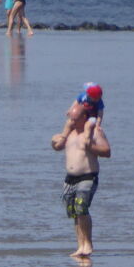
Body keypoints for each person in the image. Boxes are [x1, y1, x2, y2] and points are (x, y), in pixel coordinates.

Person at [51, 102, 112, 257]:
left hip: (87, 176)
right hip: (70, 179)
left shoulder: (93, 133)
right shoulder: (69, 133)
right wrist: (61, 135)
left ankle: (88, 245)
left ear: (84, 117)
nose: (72, 121)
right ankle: (80, 246)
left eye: (75, 118)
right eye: (70, 118)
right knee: (73, 213)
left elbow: (106, 151)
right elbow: (56, 146)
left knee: (81, 208)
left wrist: (90, 146)